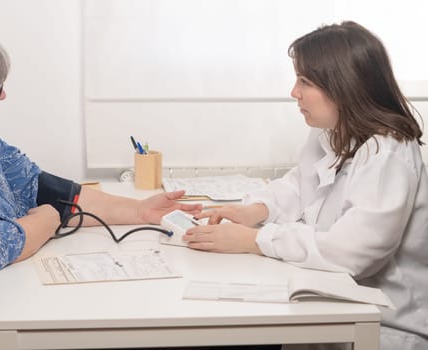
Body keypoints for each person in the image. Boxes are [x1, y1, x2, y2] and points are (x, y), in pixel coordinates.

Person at [0, 26, 202, 350]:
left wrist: (139, 210)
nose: (2, 96)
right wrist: (46, 219)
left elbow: (53, 192)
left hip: (3, 307)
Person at [183, 21, 428, 350]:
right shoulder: (333, 129)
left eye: (305, 81)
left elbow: (353, 253)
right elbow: (299, 185)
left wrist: (255, 239)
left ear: (344, 86)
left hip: (382, 326)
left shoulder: (388, 154)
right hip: (327, 306)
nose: (294, 92)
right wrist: (257, 210)